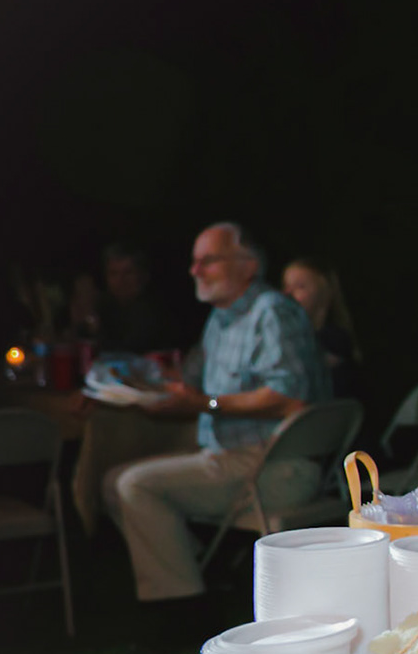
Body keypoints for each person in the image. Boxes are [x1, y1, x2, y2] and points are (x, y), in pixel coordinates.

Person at [103, 222, 329, 604]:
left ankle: (185, 606)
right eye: (195, 262)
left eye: (208, 261)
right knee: (113, 482)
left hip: (274, 464)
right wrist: (117, 385)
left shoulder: (271, 311)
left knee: (134, 485)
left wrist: (205, 404)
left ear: (248, 265)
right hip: (231, 457)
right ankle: (203, 571)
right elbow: (184, 382)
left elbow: (289, 399)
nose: (195, 270)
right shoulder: (220, 318)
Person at [283, 256, 362, 398]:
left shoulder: (334, 340)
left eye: (300, 287)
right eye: (285, 286)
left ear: (323, 293)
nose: (288, 294)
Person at [93, 241, 178, 355]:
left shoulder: (151, 311)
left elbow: (127, 352)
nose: (121, 280)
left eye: (128, 273)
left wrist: (96, 332)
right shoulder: (104, 304)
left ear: (144, 276)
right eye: (114, 273)